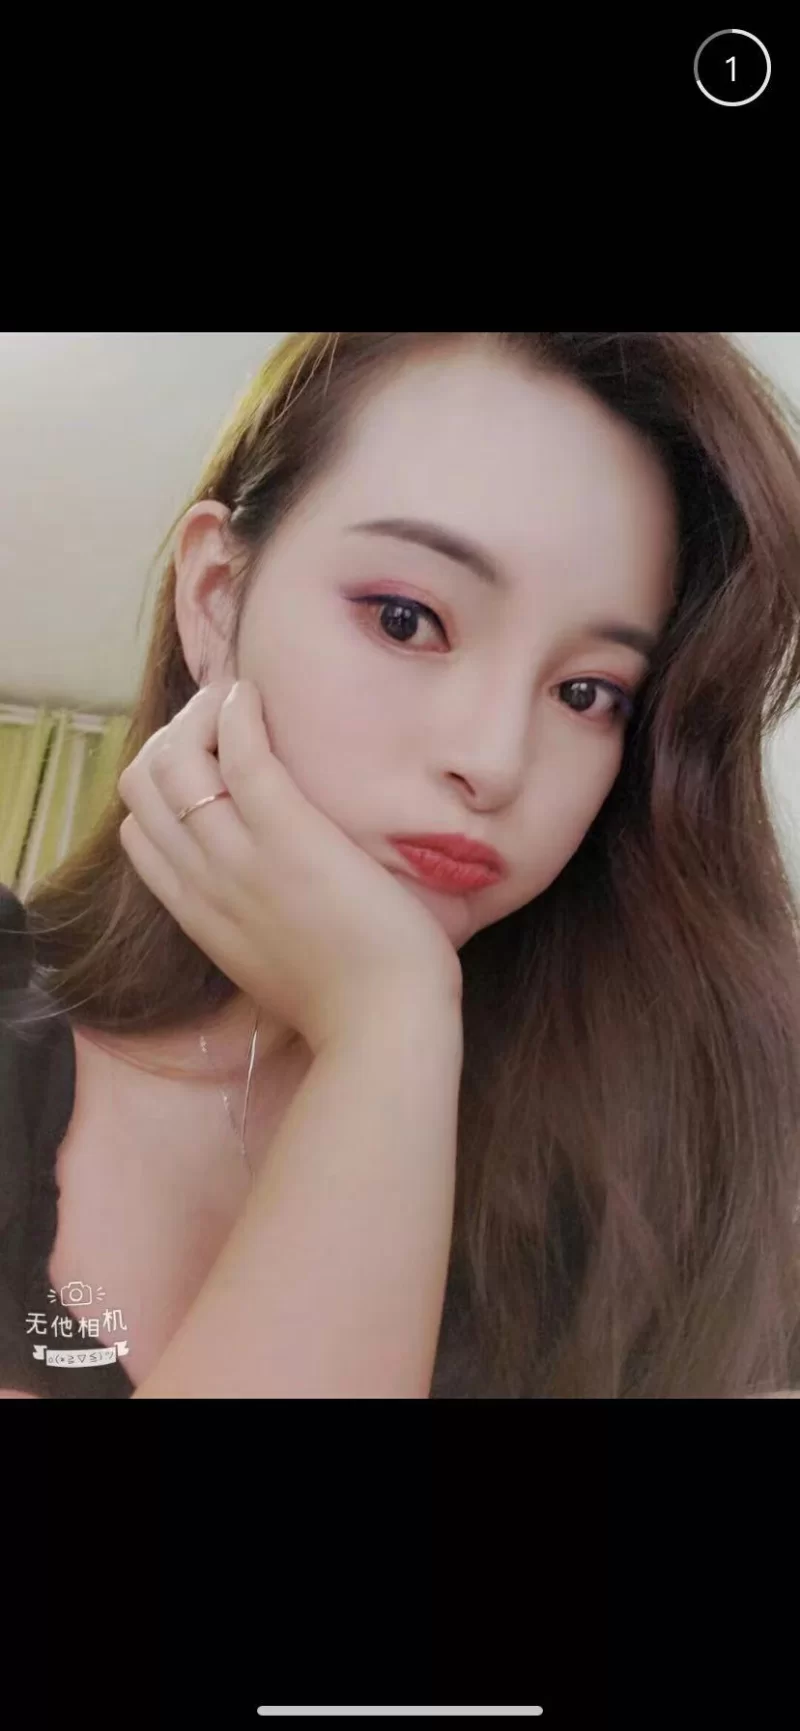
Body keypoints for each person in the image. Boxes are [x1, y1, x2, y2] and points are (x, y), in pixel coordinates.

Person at [2, 330, 800, 1400]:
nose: (494, 760)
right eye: (405, 619)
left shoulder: (678, 1172)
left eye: (587, 693)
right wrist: (387, 1026)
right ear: (216, 598)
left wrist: (388, 1029)